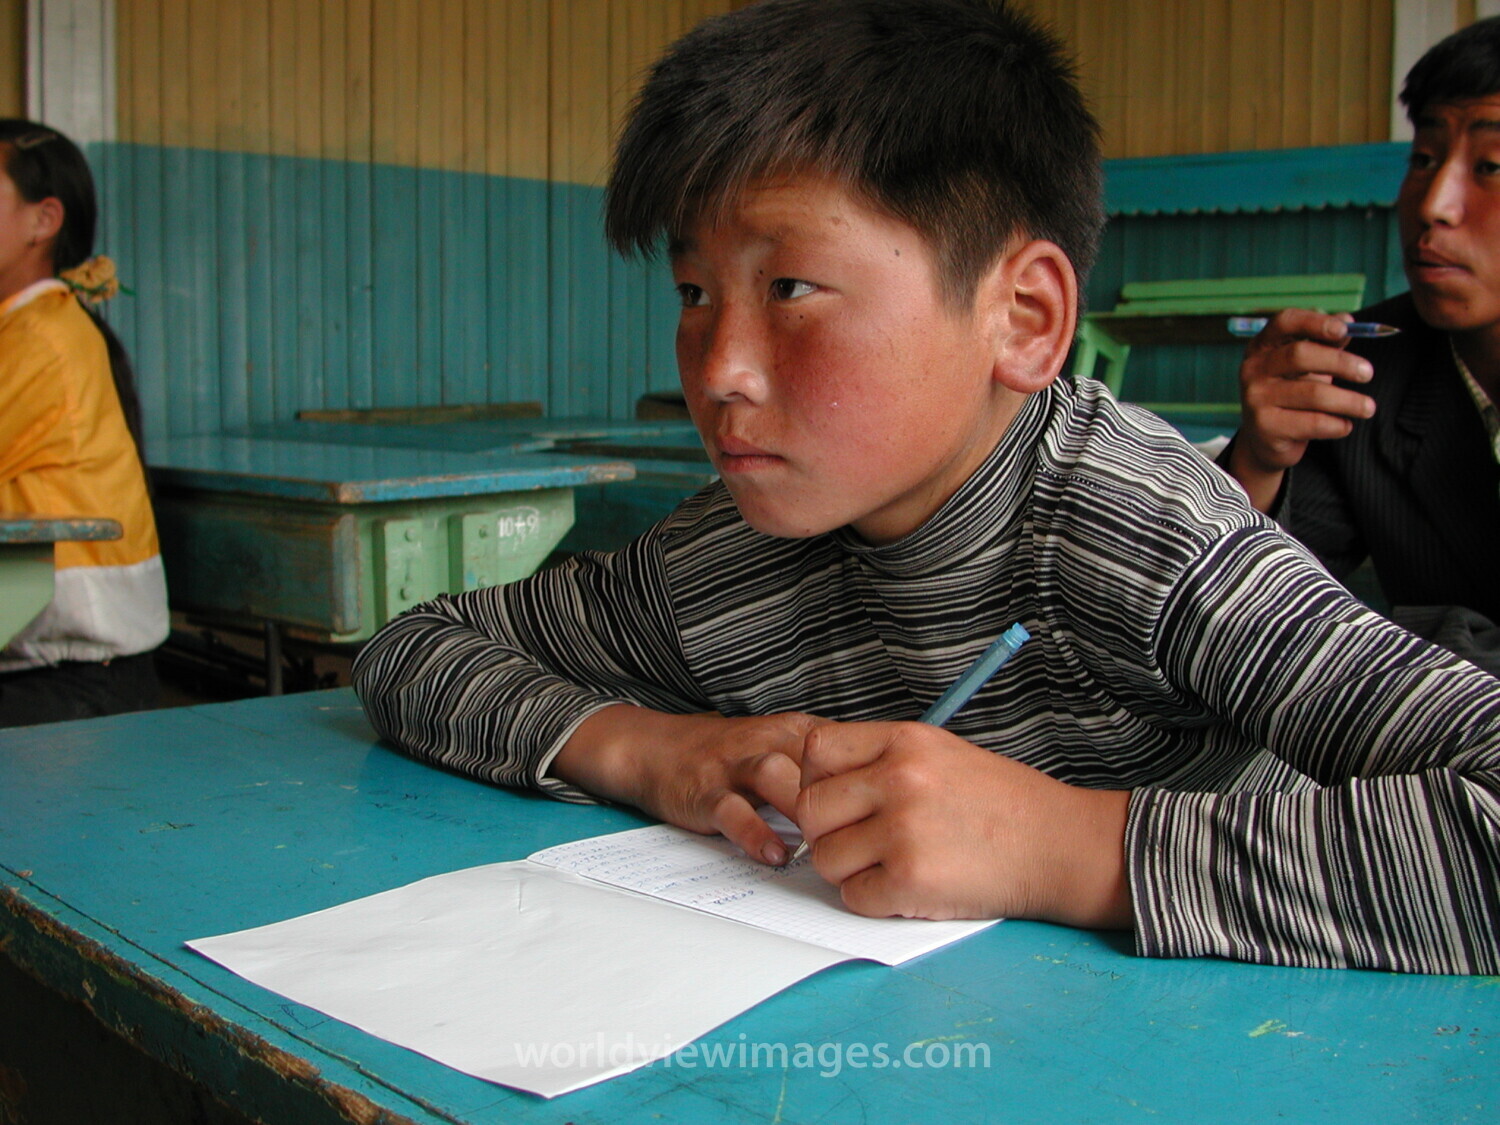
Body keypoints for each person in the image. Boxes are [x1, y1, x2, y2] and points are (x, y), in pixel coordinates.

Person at [352, 0, 1500, 975]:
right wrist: (662, 754)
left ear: (1024, 318)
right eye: (695, 291)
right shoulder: (722, 558)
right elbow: (416, 650)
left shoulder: (1142, 534)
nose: (719, 370)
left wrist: (1065, 848)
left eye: (791, 286)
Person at [1222, 18, 1500, 676]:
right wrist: (1260, 461)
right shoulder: (1366, 376)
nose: (1435, 204)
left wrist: (1419, 643)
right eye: (1423, 160)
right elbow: (1242, 618)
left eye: (1490, 166)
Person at [0, 119, 169, 725]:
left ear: (43, 222)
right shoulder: (28, 329)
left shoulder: (42, 339)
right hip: (53, 665)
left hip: (73, 683)